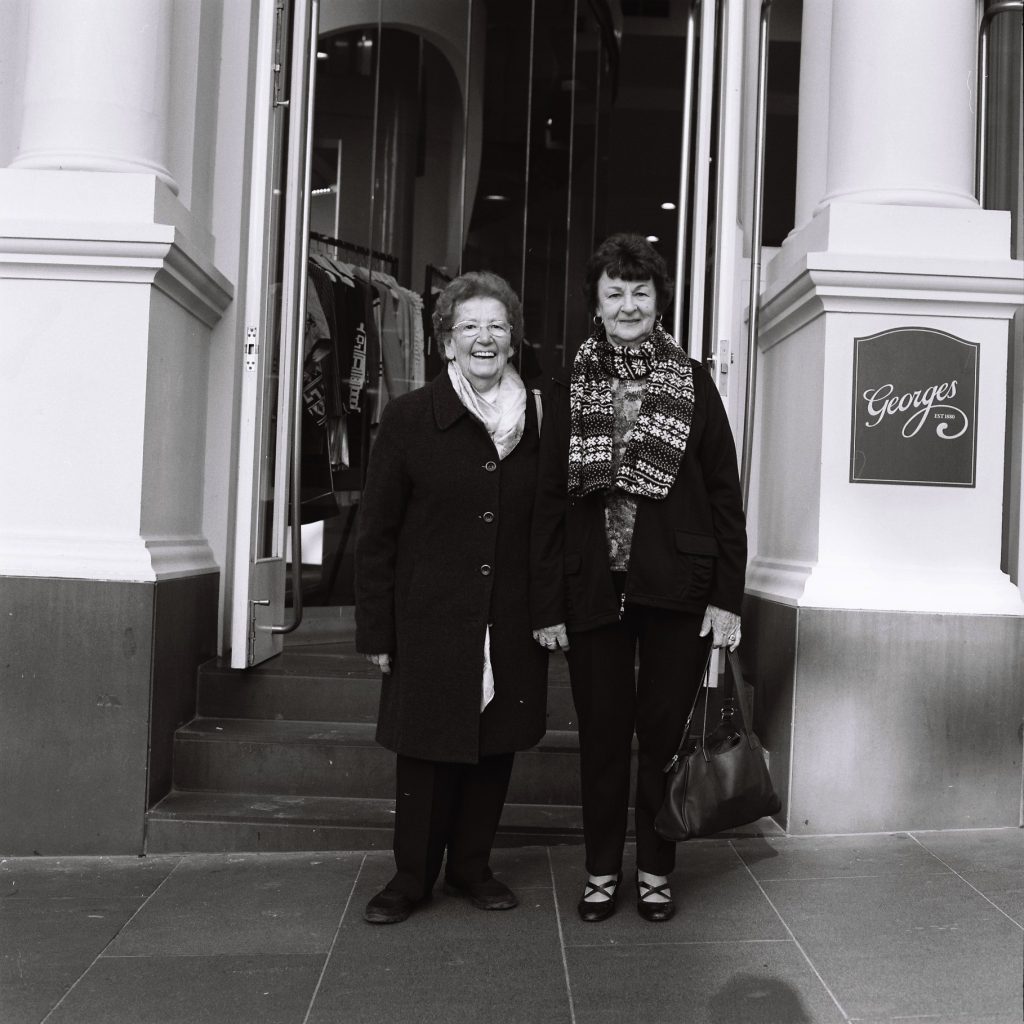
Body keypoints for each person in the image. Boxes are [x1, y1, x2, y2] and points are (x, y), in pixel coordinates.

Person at [531, 234, 746, 923]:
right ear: (596, 303)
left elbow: (723, 496)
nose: (628, 304)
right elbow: (547, 502)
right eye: (614, 292)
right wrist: (547, 601)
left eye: (640, 292)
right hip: (592, 585)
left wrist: (727, 598)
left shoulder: (693, 381)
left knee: (661, 738)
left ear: (659, 301)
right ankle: (600, 870)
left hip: (677, 586)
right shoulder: (566, 387)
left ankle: (654, 868)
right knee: (601, 738)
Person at [355, 270, 547, 924]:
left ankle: (471, 866)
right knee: (426, 752)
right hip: (430, 618)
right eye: (470, 327)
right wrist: (378, 631)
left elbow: (553, 528)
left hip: (511, 615)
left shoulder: (540, 421)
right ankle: (411, 877)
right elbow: (375, 534)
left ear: (513, 340)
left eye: (497, 326)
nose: (484, 338)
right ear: (445, 343)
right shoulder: (410, 420)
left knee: (494, 748)